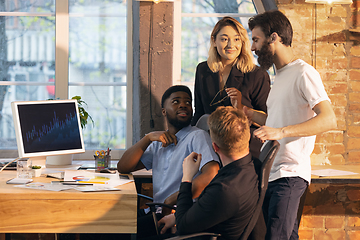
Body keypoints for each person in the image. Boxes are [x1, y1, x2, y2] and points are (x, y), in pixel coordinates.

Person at [246, 10, 337, 240]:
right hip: (272, 174)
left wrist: (281, 131)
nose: (252, 48)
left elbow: (328, 118)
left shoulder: (303, 73)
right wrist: (246, 113)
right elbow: (276, 121)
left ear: (274, 37)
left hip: (290, 175)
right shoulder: (280, 76)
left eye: (256, 39)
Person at [117, 85, 220, 238]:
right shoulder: (160, 141)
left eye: (187, 102)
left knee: (117, 231)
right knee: (111, 224)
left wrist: (172, 199)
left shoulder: (197, 136)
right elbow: (123, 167)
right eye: (176, 101)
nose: (183, 105)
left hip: (177, 213)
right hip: (157, 210)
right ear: (164, 111)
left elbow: (212, 173)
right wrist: (147, 138)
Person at [157, 106, 260, 240]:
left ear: (215, 147)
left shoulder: (224, 189)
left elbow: (182, 227)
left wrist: (187, 177)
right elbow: (209, 207)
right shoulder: (253, 166)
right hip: (206, 223)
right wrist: (175, 216)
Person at [191, 16, 271, 160]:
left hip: (246, 148)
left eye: (236, 39)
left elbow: (267, 120)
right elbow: (199, 114)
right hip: (210, 148)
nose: (230, 45)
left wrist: (241, 107)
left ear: (242, 42)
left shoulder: (257, 74)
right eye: (224, 39)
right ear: (214, 41)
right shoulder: (203, 70)